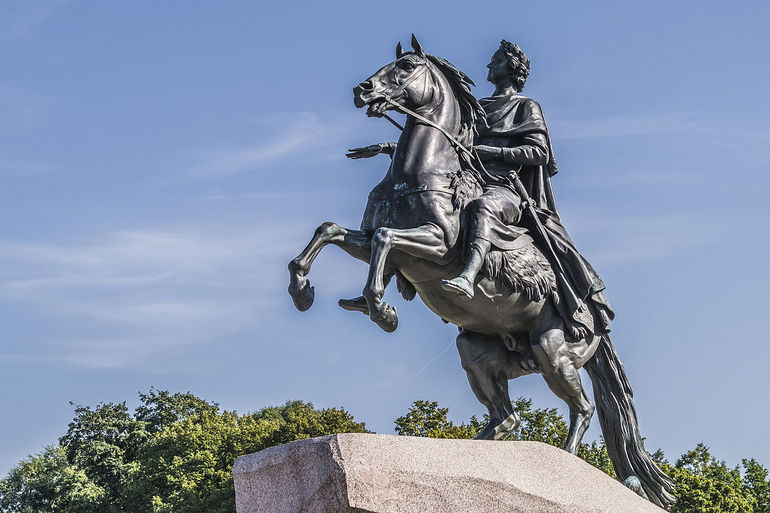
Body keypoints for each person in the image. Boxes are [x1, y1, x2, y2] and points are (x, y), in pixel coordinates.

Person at [440, 40, 613, 336]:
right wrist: (393, 148)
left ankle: (468, 276)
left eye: (494, 60)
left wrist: (493, 152)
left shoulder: (525, 107)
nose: (488, 66)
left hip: (505, 188)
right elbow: (449, 147)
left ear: (511, 68)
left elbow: (539, 153)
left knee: (482, 208)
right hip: (470, 181)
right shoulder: (477, 108)